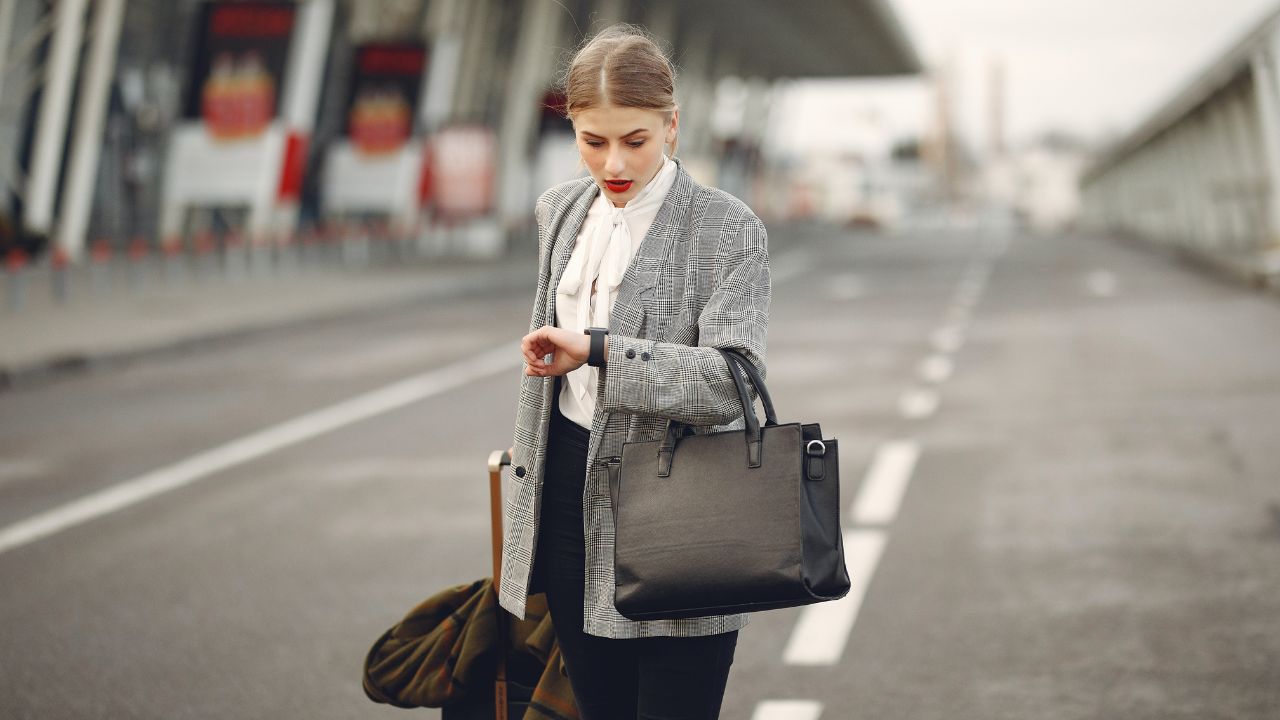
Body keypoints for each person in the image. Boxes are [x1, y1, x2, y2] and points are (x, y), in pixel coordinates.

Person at [499, 23, 771, 720]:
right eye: (593, 141)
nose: (614, 161)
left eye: (636, 140)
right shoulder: (559, 211)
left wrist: (598, 349)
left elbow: (726, 382)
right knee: (596, 707)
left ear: (672, 126)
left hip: (681, 505)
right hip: (565, 493)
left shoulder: (727, 229)